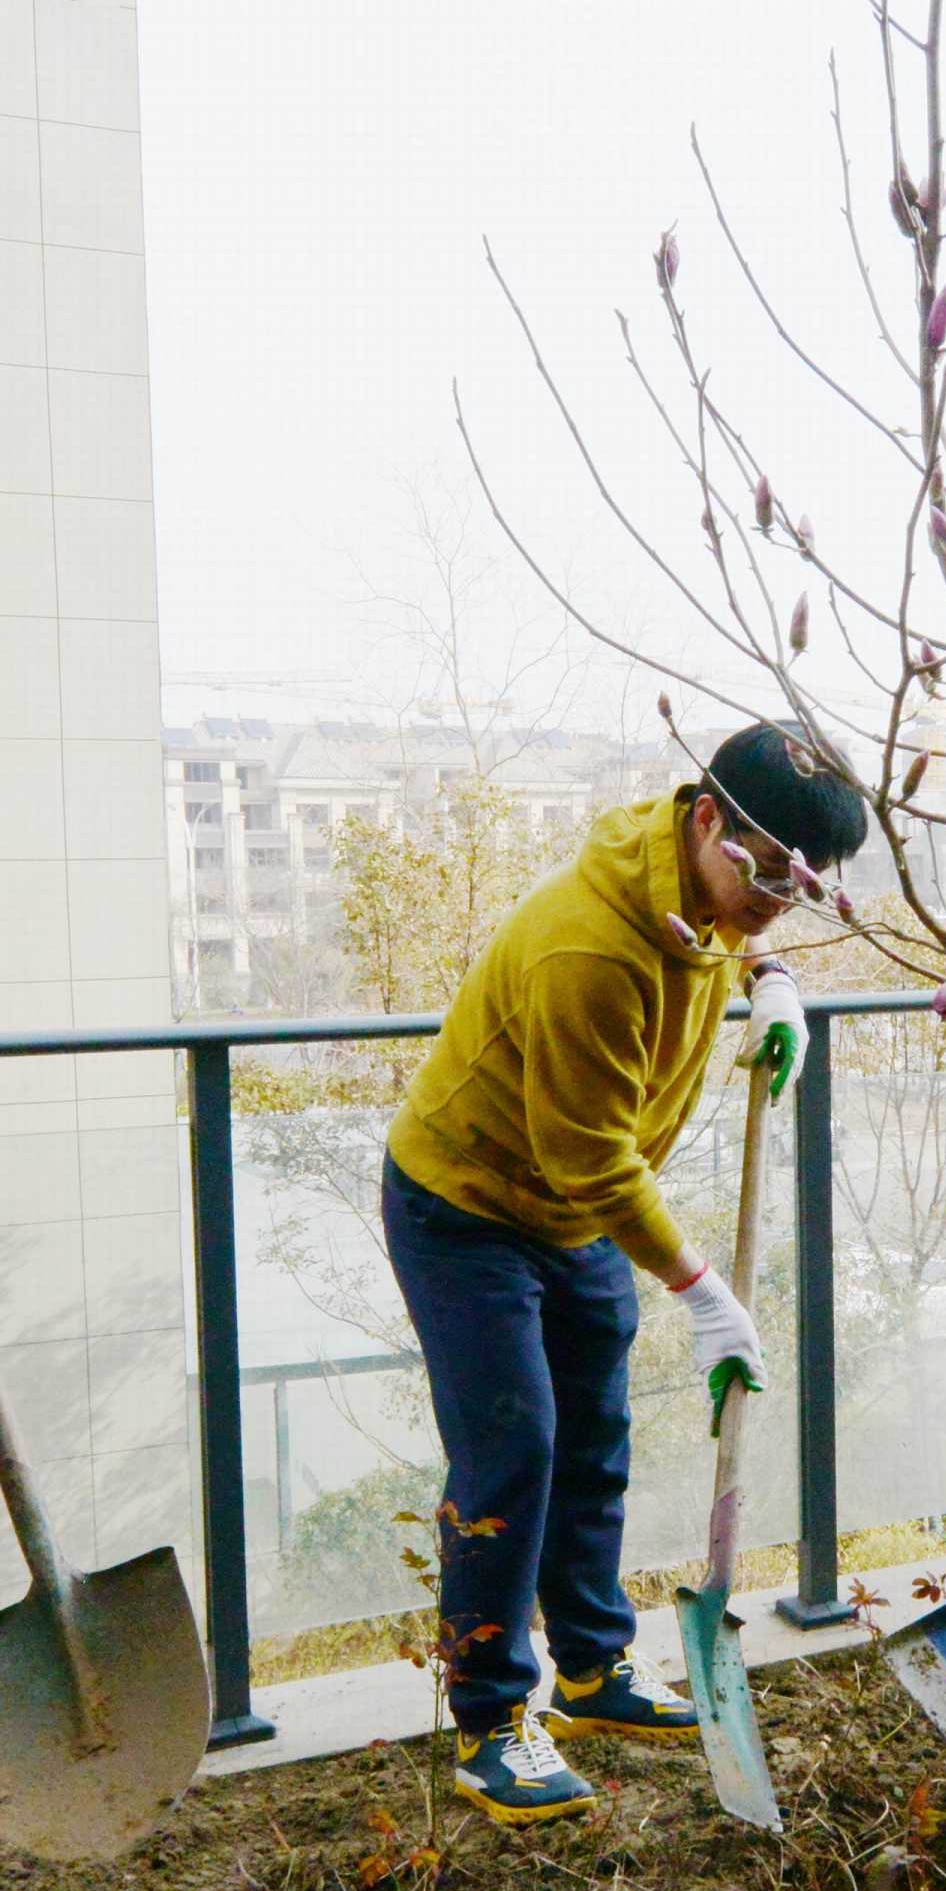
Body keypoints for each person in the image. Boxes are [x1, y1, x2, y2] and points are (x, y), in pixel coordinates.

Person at [381, 724, 867, 1823]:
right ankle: (491, 1721)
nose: (776, 900)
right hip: (465, 1202)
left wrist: (773, 975)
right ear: (707, 820)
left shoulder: (703, 881)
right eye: (768, 876)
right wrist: (701, 1287)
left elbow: (725, 928)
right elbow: (588, 1156)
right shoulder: (588, 948)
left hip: (570, 1206)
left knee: (595, 1431)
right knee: (514, 1448)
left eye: (801, 889)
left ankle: (595, 1667)